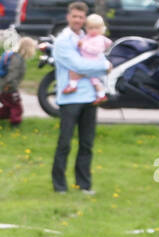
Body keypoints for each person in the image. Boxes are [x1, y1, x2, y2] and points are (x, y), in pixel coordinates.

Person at [52, 1, 106, 195]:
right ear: (68, 17)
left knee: (87, 143)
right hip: (70, 99)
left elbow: (100, 57)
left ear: (85, 19)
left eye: (81, 17)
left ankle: (84, 184)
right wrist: (104, 67)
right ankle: (59, 185)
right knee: (65, 143)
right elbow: (80, 66)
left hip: (90, 97)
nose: (78, 20)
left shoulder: (89, 37)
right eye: (74, 16)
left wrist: (102, 64)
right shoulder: (62, 41)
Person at [0, 35, 35, 125]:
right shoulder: (17, 59)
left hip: (5, 86)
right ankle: (15, 124)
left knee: (9, 106)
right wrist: (12, 87)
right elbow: (12, 74)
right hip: (8, 87)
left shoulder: (17, 57)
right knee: (17, 107)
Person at [62, 13, 111, 98]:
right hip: (87, 60)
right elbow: (82, 41)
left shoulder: (99, 39)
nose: (93, 30)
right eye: (90, 28)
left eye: (96, 28)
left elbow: (96, 50)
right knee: (94, 81)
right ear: (86, 28)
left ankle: (73, 85)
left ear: (101, 29)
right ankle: (101, 95)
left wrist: (83, 45)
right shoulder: (88, 37)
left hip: (93, 61)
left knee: (74, 71)